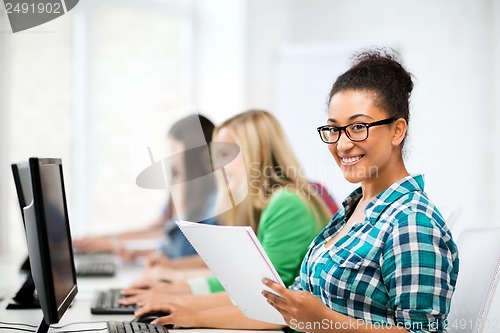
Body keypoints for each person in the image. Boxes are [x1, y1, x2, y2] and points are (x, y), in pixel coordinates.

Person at [134, 49, 459, 333]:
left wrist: (322, 320)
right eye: (334, 128)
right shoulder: (353, 211)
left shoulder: (412, 222)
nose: (343, 143)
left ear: (397, 130)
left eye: (358, 127)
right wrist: (188, 314)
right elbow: (285, 307)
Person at [120, 109, 332, 312]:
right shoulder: (262, 204)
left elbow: (265, 291)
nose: (217, 165)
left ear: (257, 153)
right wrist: (175, 289)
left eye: (225, 154)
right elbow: (239, 279)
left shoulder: (287, 203)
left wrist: (178, 299)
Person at [73, 114, 218, 265]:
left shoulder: (213, 198)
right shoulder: (180, 185)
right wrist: (110, 239)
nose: (171, 159)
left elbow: (179, 245)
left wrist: (113, 243)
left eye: (174, 149)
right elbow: (164, 228)